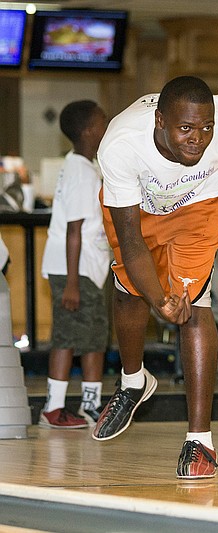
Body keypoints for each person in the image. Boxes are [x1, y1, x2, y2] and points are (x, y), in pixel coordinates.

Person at [92, 76, 218, 480]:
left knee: (195, 304)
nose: (197, 140)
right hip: (137, 213)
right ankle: (133, 381)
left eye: (205, 129)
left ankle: (200, 441)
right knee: (130, 289)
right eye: (185, 129)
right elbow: (131, 243)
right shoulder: (121, 145)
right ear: (160, 121)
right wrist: (158, 298)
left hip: (198, 207)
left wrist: (174, 297)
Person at [39, 100, 110, 429]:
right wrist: (70, 282)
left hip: (87, 268)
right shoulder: (81, 171)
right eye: (102, 122)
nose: (106, 127)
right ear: (88, 131)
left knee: (94, 337)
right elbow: (74, 230)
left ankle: (90, 405)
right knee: (68, 337)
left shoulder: (84, 164)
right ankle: (53, 408)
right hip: (75, 269)